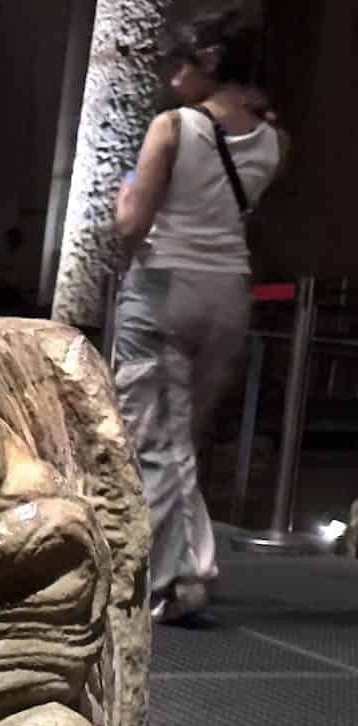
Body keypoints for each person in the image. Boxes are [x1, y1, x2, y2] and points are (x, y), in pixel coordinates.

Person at [111, 8, 283, 626]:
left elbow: (134, 225)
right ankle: (178, 563)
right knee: (181, 439)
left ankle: (182, 576)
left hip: (165, 288)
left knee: (155, 437)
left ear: (208, 62)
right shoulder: (271, 138)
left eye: (179, 63)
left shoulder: (173, 127)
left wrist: (125, 202)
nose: (173, 76)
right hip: (228, 294)